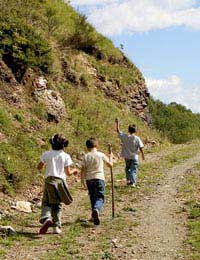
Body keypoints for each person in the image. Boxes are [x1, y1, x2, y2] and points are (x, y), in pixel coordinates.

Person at [37, 134, 77, 234]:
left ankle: (46, 218)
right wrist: (74, 171)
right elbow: (68, 173)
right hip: (60, 182)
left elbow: (39, 167)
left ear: (51, 144)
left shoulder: (46, 154)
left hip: (49, 181)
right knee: (57, 204)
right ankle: (56, 226)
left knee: (46, 202)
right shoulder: (65, 156)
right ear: (64, 145)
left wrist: (45, 164)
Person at [81, 138, 113, 225]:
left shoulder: (86, 156)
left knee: (92, 197)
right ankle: (97, 209)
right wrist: (111, 158)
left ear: (87, 147)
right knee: (100, 197)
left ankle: (93, 215)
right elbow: (110, 165)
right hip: (99, 178)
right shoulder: (100, 154)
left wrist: (82, 181)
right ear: (97, 146)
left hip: (89, 179)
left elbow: (83, 169)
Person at [115, 118, 145, 187]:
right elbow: (141, 147)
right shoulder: (137, 138)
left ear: (128, 130)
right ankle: (133, 182)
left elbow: (118, 131)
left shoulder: (125, 136)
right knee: (134, 169)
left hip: (127, 156)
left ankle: (128, 180)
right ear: (135, 131)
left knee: (128, 168)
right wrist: (143, 155)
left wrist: (117, 123)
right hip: (134, 157)